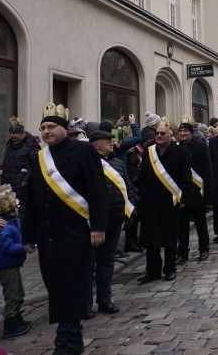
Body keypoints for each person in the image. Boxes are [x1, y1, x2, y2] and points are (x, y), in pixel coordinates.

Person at [23, 115, 108, 355]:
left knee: (72, 284)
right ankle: (68, 332)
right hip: (48, 234)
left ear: (64, 128)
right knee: (56, 285)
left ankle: (68, 338)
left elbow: (97, 189)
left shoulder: (82, 150)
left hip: (76, 231)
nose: (46, 131)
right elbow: (32, 199)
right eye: (42, 128)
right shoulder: (40, 157)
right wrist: (28, 234)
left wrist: (98, 227)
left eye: (51, 127)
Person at [136, 120, 193, 284]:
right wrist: (141, 195)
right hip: (150, 201)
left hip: (170, 200)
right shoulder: (148, 152)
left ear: (171, 136)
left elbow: (186, 177)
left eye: (162, 134)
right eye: (157, 133)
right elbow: (142, 176)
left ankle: (169, 268)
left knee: (169, 237)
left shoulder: (180, 152)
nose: (159, 136)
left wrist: (184, 198)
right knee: (150, 237)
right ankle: (152, 271)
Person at [88, 130, 135, 315]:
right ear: (96, 144)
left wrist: (131, 209)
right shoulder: (88, 163)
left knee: (106, 261)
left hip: (115, 218)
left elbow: (126, 185)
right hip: (92, 222)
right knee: (89, 262)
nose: (111, 143)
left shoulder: (117, 162)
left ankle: (104, 299)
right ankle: (85, 303)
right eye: (107, 141)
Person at [0, 186, 32, 339]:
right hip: (7, 267)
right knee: (12, 295)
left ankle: (17, 318)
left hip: (13, 265)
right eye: (15, 206)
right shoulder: (4, 229)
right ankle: (11, 323)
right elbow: (7, 247)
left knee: (19, 293)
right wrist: (23, 248)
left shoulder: (11, 225)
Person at [175, 121, 213, 264]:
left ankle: (204, 248)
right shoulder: (176, 148)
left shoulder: (200, 146)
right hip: (182, 192)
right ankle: (182, 252)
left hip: (197, 191)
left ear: (191, 132)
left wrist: (209, 192)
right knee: (182, 225)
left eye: (185, 131)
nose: (183, 134)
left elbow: (207, 169)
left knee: (200, 223)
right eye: (181, 131)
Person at [2, 124, 40, 222]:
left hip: (23, 187)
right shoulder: (9, 144)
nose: (12, 135)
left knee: (22, 213)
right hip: (8, 185)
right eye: (11, 133)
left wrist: (26, 180)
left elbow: (37, 165)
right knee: (9, 212)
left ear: (21, 133)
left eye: (15, 133)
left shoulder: (31, 145)